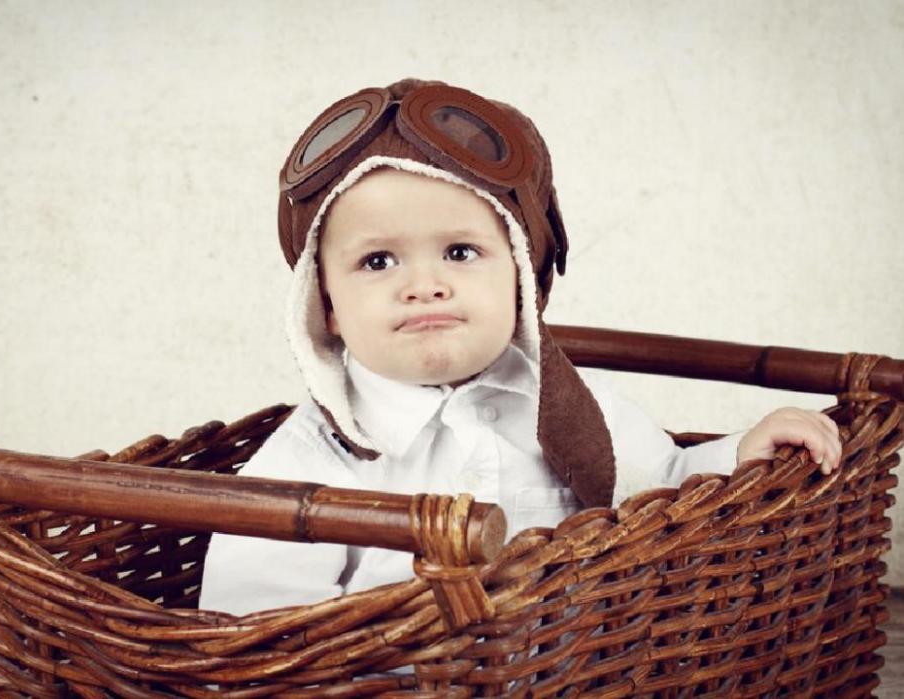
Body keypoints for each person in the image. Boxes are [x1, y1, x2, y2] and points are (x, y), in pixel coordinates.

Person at [199, 78, 841, 615]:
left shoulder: (573, 410)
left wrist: (741, 453)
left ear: (521, 281)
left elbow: (664, 491)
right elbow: (256, 621)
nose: (424, 285)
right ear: (326, 307)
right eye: (377, 261)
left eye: (460, 252)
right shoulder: (314, 458)